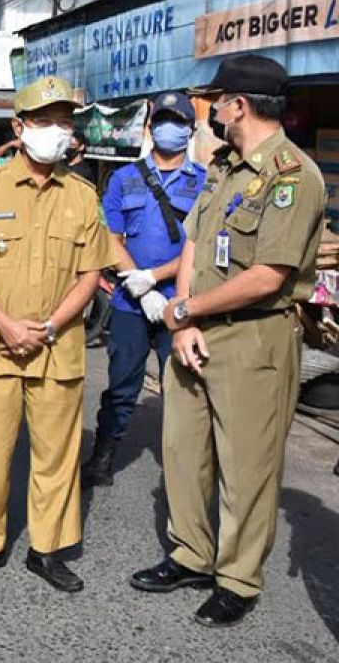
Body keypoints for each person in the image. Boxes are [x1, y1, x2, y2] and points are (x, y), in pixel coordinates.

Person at [130, 55, 325, 628]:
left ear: (238, 104)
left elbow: (268, 275)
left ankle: (237, 579)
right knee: (184, 454)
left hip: (254, 340)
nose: (208, 109)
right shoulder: (222, 168)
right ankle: (191, 553)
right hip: (197, 333)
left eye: (215, 99)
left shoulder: (294, 176)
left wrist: (184, 307)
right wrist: (184, 320)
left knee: (246, 469)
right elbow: (194, 238)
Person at [0, 75, 114, 592]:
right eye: (44, 121)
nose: (56, 131)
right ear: (20, 127)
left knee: (57, 457)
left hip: (57, 348)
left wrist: (53, 324)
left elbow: (91, 275)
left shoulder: (83, 196)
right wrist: (7, 324)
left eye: (64, 121)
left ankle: (48, 549)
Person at [82, 91, 205, 487]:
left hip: (182, 303)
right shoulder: (124, 178)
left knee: (183, 388)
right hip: (130, 302)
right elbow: (111, 239)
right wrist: (140, 285)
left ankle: (182, 469)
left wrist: (156, 279)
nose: (170, 127)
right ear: (150, 128)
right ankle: (102, 457)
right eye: (163, 119)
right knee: (121, 383)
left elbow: (199, 246)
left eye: (179, 121)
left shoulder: (205, 182)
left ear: (190, 129)